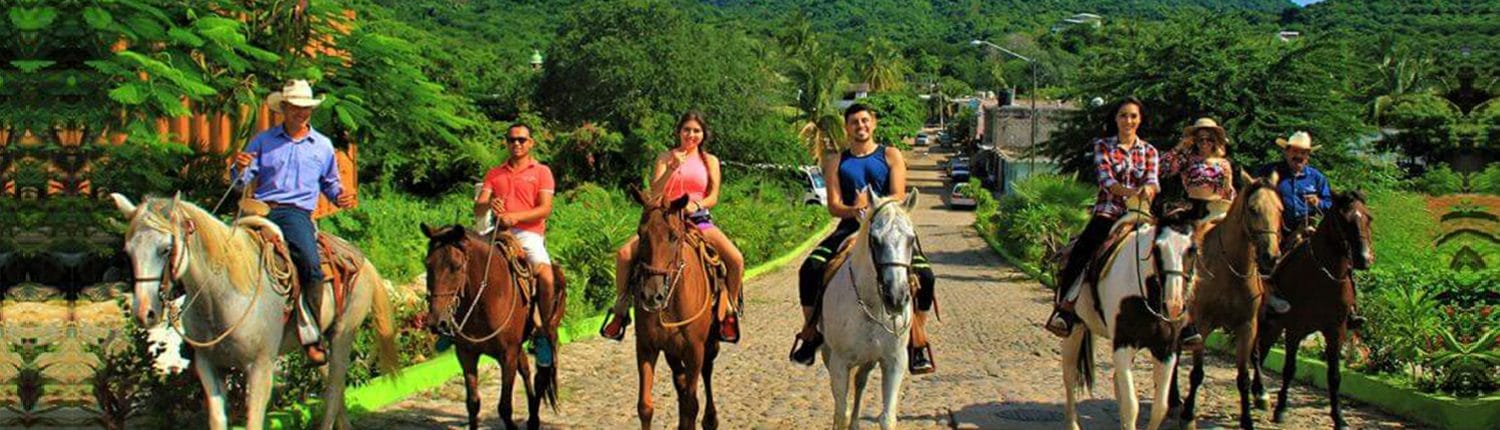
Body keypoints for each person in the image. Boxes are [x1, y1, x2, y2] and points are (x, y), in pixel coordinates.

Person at [787, 103, 939, 374]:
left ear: (874, 123)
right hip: (850, 226)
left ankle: (917, 339)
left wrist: (873, 206)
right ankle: (811, 332)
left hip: (889, 227)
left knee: (925, 276)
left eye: (865, 121)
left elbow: (899, 195)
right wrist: (855, 210)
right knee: (809, 269)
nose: (861, 126)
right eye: (855, 122)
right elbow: (834, 205)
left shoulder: (890, 155)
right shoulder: (835, 161)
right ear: (847, 127)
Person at [232, 80, 356, 365]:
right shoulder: (264, 141)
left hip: (296, 214)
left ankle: (312, 335)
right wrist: (239, 169)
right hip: (259, 208)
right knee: (220, 250)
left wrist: (342, 197)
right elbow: (241, 183)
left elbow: (331, 185)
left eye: (306, 108)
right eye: (296, 108)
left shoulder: (322, 146)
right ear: (284, 109)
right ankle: (200, 326)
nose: (301, 113)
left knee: (311, 266)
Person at [599, 112, 747, 343]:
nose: (691, 135)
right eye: (687, 129)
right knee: (625, 253)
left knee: (735, 259)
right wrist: (670, 169)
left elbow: (714, 196)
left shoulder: (711, 161)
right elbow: (655, 193)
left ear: (703, 134)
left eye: (696, 131)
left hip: (697, 219)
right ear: (679, 131)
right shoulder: (665, 157)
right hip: (664, 219)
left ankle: (728, 309)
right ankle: (621, 307)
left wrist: (694, 205)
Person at [1045, 97, 1160, 338]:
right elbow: (1107, 181)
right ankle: (1065, 308)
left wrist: (1147, 190)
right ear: (1115, 119)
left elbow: (1152, 181)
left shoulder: (1149, 151)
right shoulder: (1103, 146)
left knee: (1172, 252)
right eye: (1123, 116)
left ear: (1140, 120)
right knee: (1082, 253)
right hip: (1109, 212)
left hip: (1141, 215)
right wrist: (1130, 192)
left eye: (1133, 116)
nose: (1128, 121)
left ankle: (1177, 315)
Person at [1254, 132, 1364, 328]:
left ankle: (1350, 308)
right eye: (1295, 151)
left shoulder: (1316, 177)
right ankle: (1266, 299)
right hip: (1279, 227)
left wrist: (1318, 202)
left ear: (1308, 156)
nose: (1299, 156)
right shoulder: (1270, 171)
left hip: (1309, 226)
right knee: (1269, 258)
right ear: (1286, 152)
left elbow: (1331, 204)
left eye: (1303, 153)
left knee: (1341, 257)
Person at [474, 123, 561, 366]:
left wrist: (515, 217)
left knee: (545, 275)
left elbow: (545, 209)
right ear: (506, 143)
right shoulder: (494, 173)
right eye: (512, 140)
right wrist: (488, 205)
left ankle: (542, 332)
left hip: (528, 233)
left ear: (531, 142)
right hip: (497, 232)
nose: (517, 144)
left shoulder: (542, 171)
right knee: (463, 261)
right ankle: (454, 326)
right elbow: (478, 206)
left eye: (522, 139)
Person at [1159, 117, 1235, 347]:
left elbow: (1228, 191)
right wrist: (1182, 146)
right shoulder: (1188, 159)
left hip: (1217, 209)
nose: (1204, 143)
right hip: (1193, 208)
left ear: (1215, 141)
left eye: (1208, 139)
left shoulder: (1224, 165)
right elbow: (1162, 168)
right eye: (1199, 138)